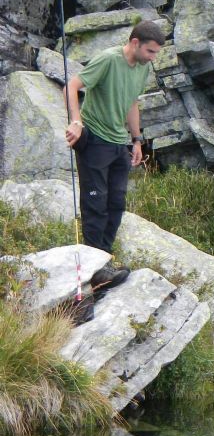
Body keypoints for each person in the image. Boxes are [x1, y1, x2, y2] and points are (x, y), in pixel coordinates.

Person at [63, 21, 164, 288]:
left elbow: (132, 102)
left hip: (120, 144)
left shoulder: (141, 68)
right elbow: (71, 86)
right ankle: (94, 272)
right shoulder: (107, 60)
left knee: (115, 204)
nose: (153, 58)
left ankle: (103, 264)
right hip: (95, 141)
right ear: (135, 43)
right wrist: (76, 121)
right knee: (95, 206)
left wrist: (137, 140)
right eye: (151, 51)